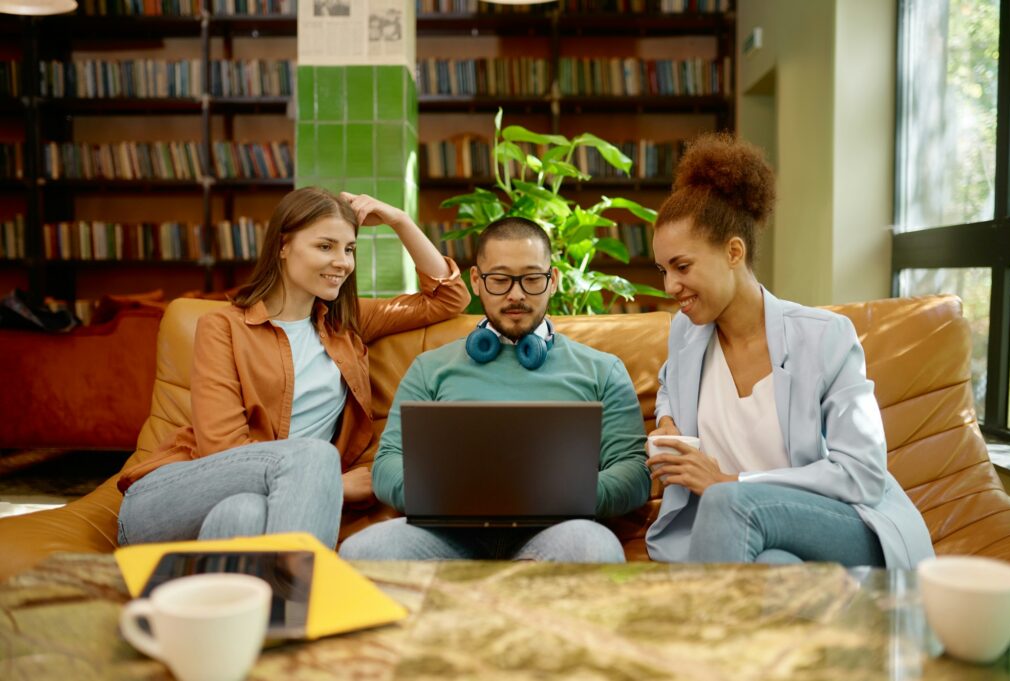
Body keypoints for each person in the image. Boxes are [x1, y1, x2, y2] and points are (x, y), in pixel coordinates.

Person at [116, 187, 471, 550]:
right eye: (325, 246)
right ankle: (307, 593)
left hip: (261, 505)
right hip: (175, 496)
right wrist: (330, 482)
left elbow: (448, 298)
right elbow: (223, 451)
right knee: (313, 456)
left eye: (349, 249)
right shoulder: (223, 328)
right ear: (283, 246)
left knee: (243, 515)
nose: (342, 262)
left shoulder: (345, 324)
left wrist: (400, 220)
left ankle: (262, 602)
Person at [644, 134, 934, 568]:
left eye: (682, 267)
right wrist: (666, 418)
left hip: (846, 524)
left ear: (733, 252)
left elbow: (863, 474)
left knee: (727, 502)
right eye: (664, 270)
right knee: (774, 568)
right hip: (755, 536)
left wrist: (731, 482)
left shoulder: (826, 338)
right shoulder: (687, 335)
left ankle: (694, 632)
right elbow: (669, 382)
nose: (670, 287)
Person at [339, 217, 651, 562]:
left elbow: (633, 471)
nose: (516, 295)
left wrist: (564, 496)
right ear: (476, 281)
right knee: (361, 551)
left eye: (532, 279)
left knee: (595, 549)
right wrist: (445, 495)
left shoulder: (602, 370)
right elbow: (387, 465)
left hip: (559, 531)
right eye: (500, 280)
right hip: (445, 534)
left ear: (553, 281)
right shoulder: (430, 368)